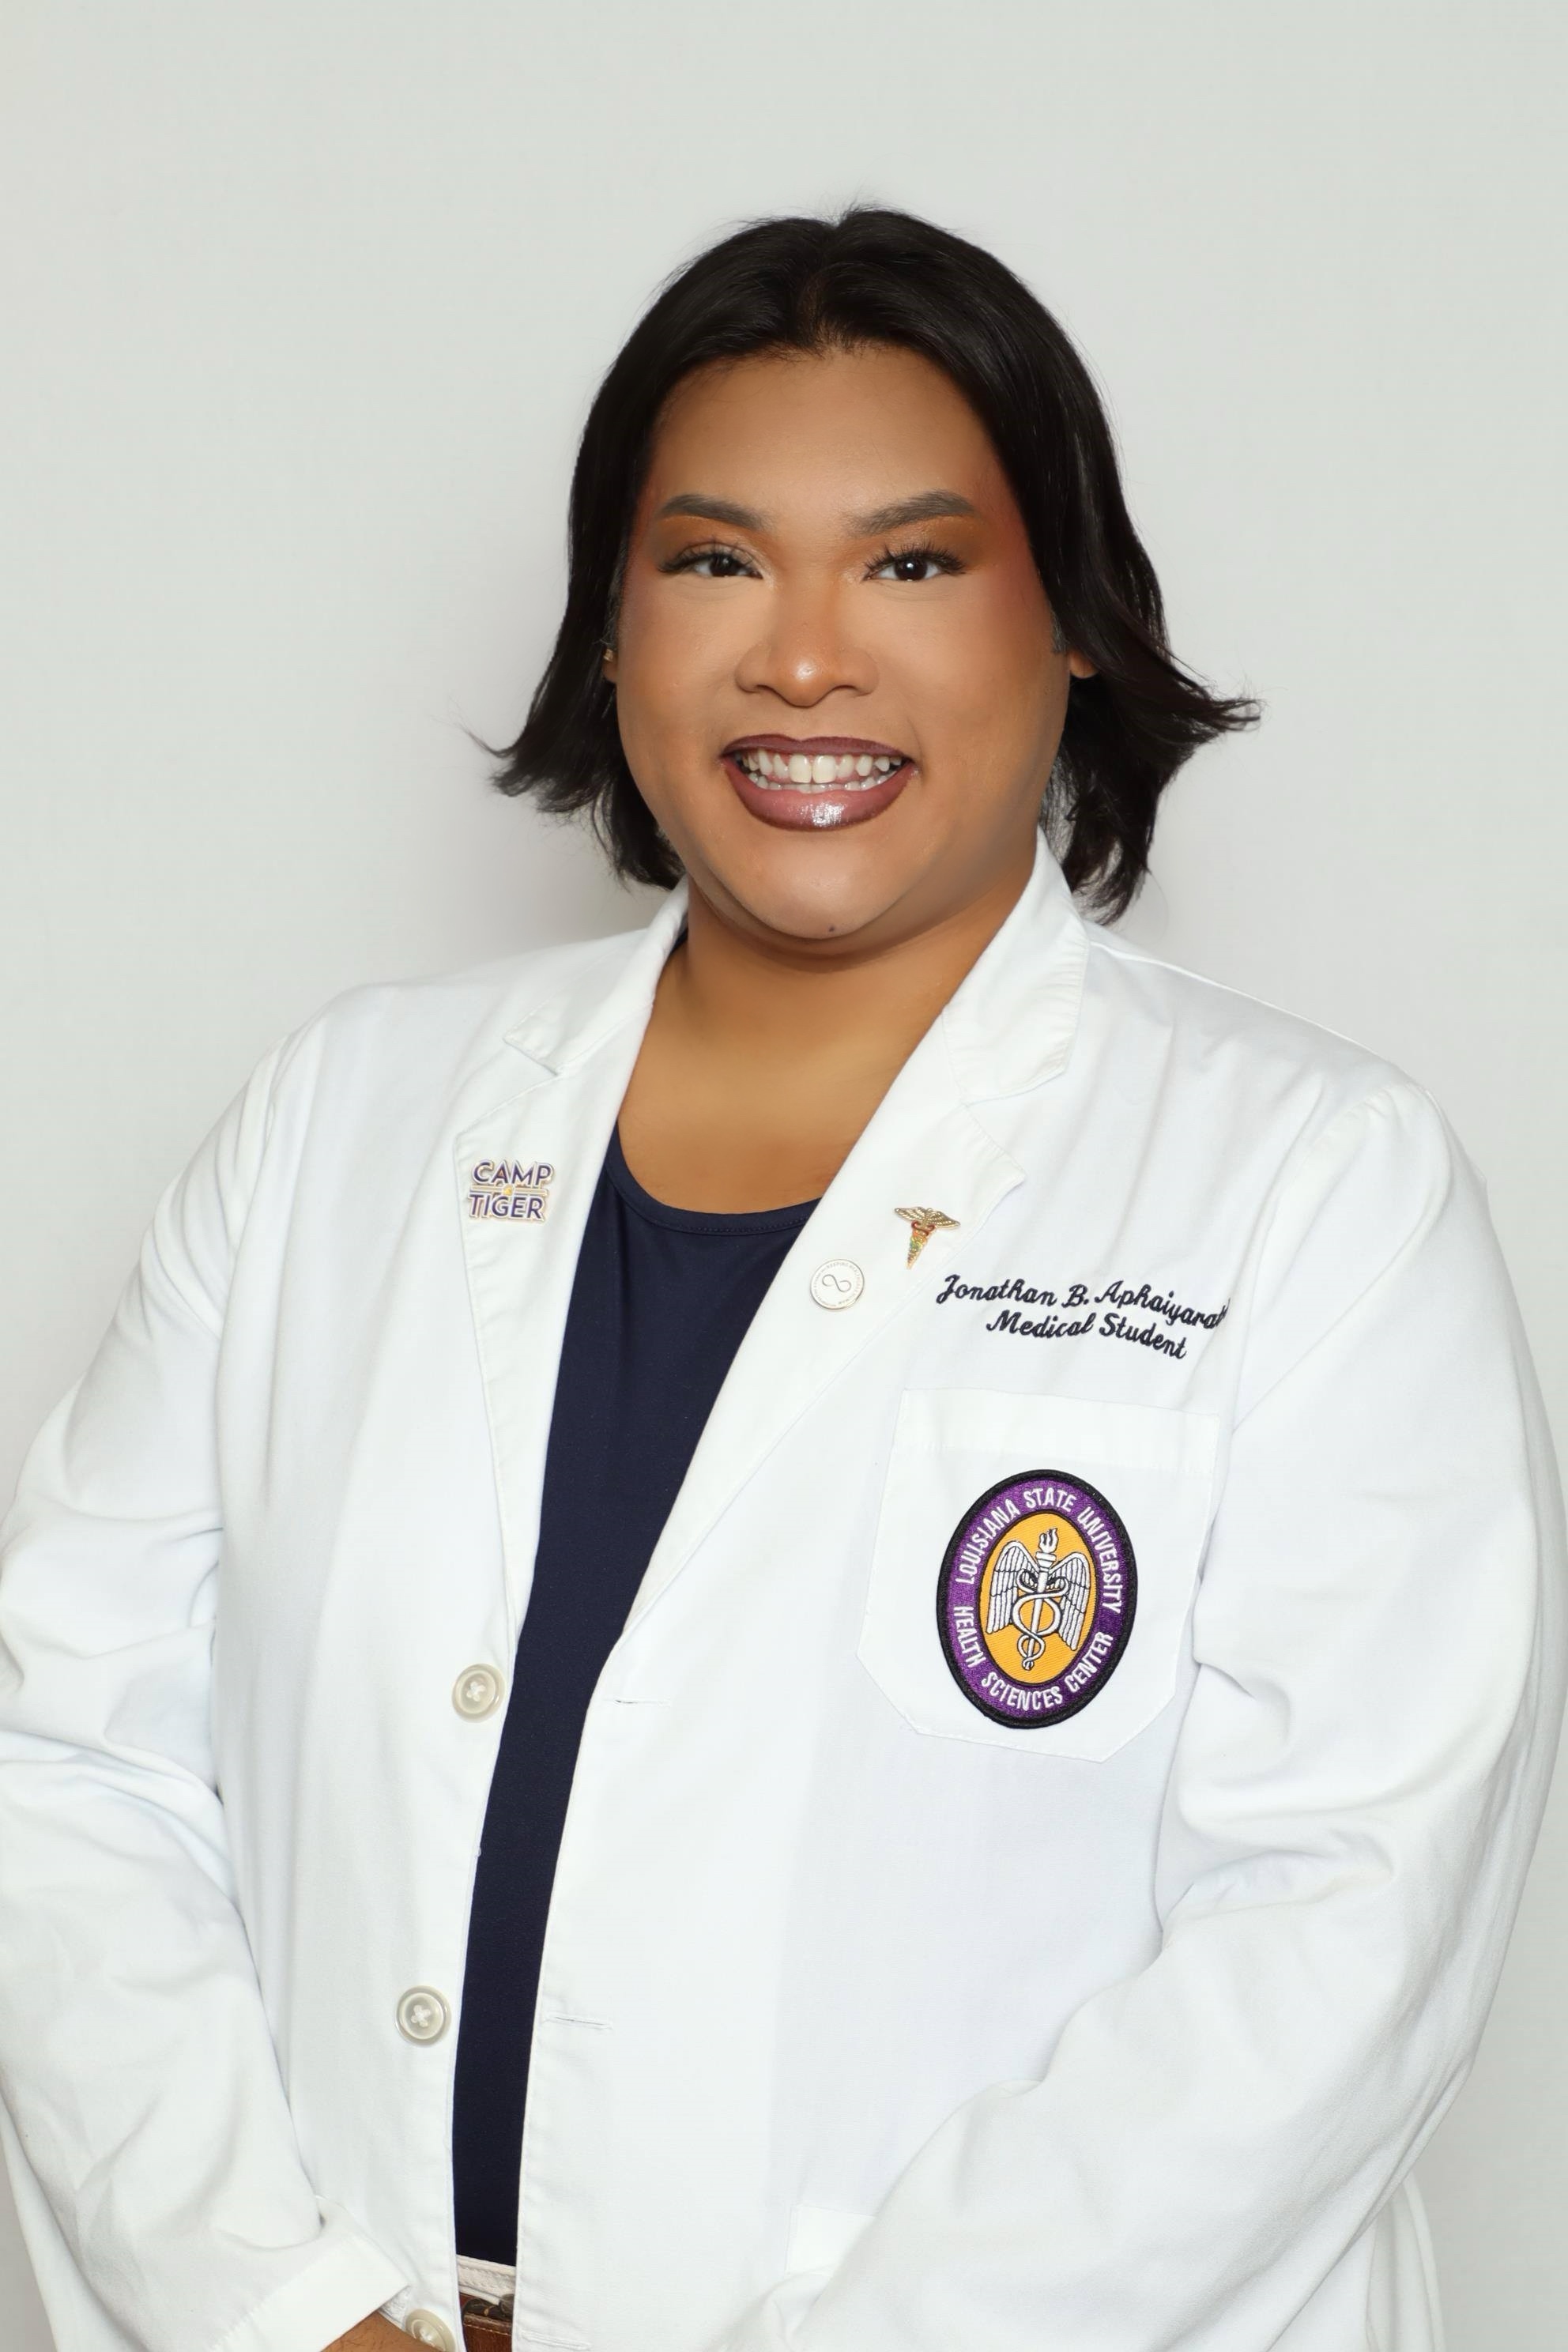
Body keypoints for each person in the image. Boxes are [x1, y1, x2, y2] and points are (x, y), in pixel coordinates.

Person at [0, 205, 1560, 2352]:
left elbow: (1329, 1950)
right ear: (615, 631)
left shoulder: (1312, 1192)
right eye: (716, 561)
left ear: (1076, 621)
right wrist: (277, 2309)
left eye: (914, 564)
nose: (805, 658)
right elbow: (61, 1763)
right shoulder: (337, 1127)